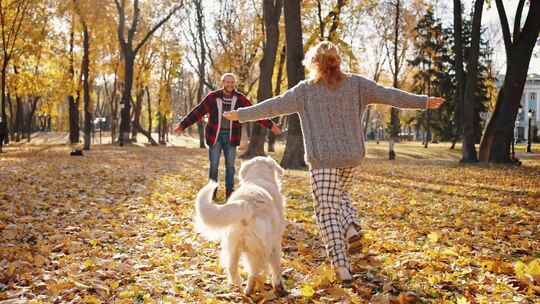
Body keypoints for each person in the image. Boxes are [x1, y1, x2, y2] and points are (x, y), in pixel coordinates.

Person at [223, 41, 444, 285]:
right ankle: (350, 227)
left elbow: (273, 105)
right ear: (338, 61)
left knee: (326, 209)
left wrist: (241, 115)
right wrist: (423, 101)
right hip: (351, 156)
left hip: (324, 160)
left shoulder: (305, 90)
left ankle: (341, 266)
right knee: (339, 196)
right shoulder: (357, 84)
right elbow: (390, 95)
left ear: (314, 64)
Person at [175, 73, 281, 199]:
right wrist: (183, 125)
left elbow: (253, 112)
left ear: (234, 84)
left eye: (232, 82)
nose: (230, 84)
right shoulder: (213, 97)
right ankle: (211, 192)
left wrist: (271, 125)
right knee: (214, 165)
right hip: (215, 137)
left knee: (230, 166)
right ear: (222, 82)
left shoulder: (240, 99)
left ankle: (229, 193)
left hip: (232, 137)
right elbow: (197, 112)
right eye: (227, 82)